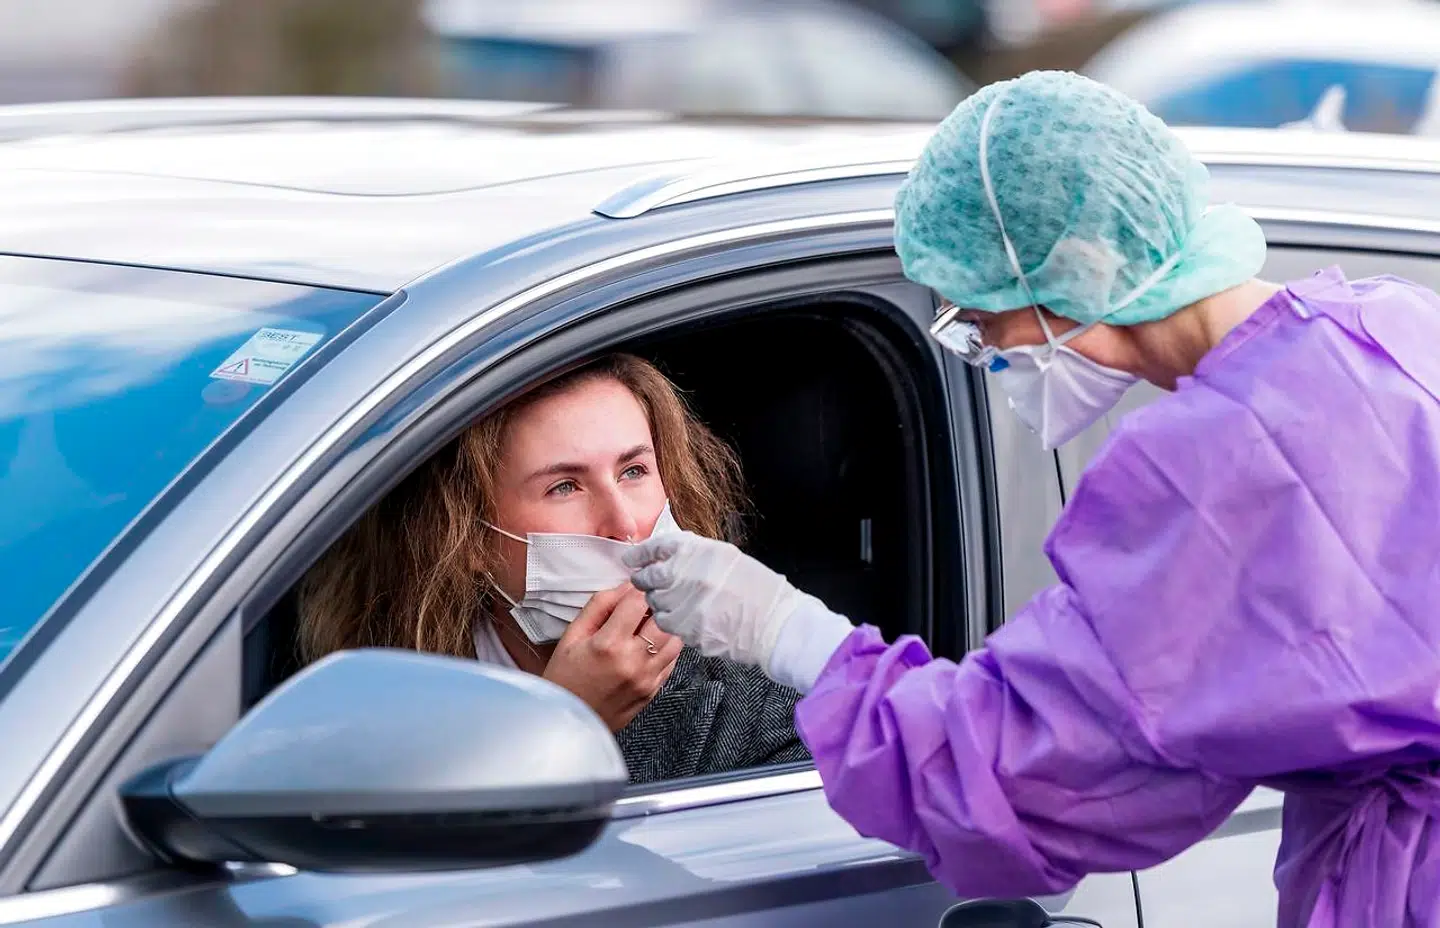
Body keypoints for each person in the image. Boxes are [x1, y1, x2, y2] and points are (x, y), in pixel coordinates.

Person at [623, 70, 1440, 927]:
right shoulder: (1393, 326)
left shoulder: (1218, 471)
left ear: (1079, 270)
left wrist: (783, 629)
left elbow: (1017, 779)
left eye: (981, 320)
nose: (984, 351)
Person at [298, 353, 808, 784]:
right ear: (468, 535)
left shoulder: (763, 708)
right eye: (565, 486)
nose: (625, 526)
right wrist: (564, 720)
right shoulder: (371, 675)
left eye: (633, 471)